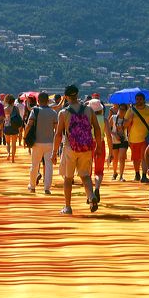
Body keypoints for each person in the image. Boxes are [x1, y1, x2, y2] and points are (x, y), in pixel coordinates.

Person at [52, 85, 103, 214]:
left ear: (66, 97)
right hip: (86, 147)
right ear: (77, 95)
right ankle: (91, 197)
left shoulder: (63, 113)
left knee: (68, 178)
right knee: (85, 176)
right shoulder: (89, 110)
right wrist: (98, 146)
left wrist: (54, 153)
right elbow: (97, 128)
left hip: (70, 148)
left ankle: (68, 207)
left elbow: (58, 134)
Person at [26, 91, 57, 194]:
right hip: (49, 143)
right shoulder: (53, 113)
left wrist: (25, 136)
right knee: (49, 166)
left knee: (34, 165)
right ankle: (47, 188)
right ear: (48, 101)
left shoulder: (34, 111)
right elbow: (56, 130)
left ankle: (32, 186)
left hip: (37, 142)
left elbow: (29, 125)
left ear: (38, 101)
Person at [124, 92, 149, 183]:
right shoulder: (130, 110)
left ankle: (143, 175)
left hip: (145, 138)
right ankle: (137, 174)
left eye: (140, 99)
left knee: (144, 157)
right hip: (133, 138)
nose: (138, 101)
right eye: (137, 99)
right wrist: (130, 119)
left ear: (144, 100)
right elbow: (125, 125)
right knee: (135, 158)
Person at [88, 98, 113, 202]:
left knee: (87, 171)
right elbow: (109, 137)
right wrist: (111, 152)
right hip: (100, 144)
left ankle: (89, 194)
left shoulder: (87, 119)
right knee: (99, 170)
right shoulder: (104, 120)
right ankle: (97, 188)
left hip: (88, 145)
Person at [110, 103, 129, 181]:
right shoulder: (113, 118)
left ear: (126, 111)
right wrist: (114, 134)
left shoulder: (126, 120)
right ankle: (115, 172)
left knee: (121, 158)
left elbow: (128, 130)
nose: (121, 111)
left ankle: (121, 176)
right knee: (115, 159)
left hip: (123, 140)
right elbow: (108, 129)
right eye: (120, 109)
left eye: (123, 109)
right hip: (114, 140)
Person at [3, 93, 22, 163]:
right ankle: (13, 158)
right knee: (14, 144)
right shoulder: (16, 108)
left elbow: (3, 118)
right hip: (14, 126)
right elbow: (19, 117)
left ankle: (8, 153)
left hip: (7, 126)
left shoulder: (5, 109)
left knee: (8, 143)